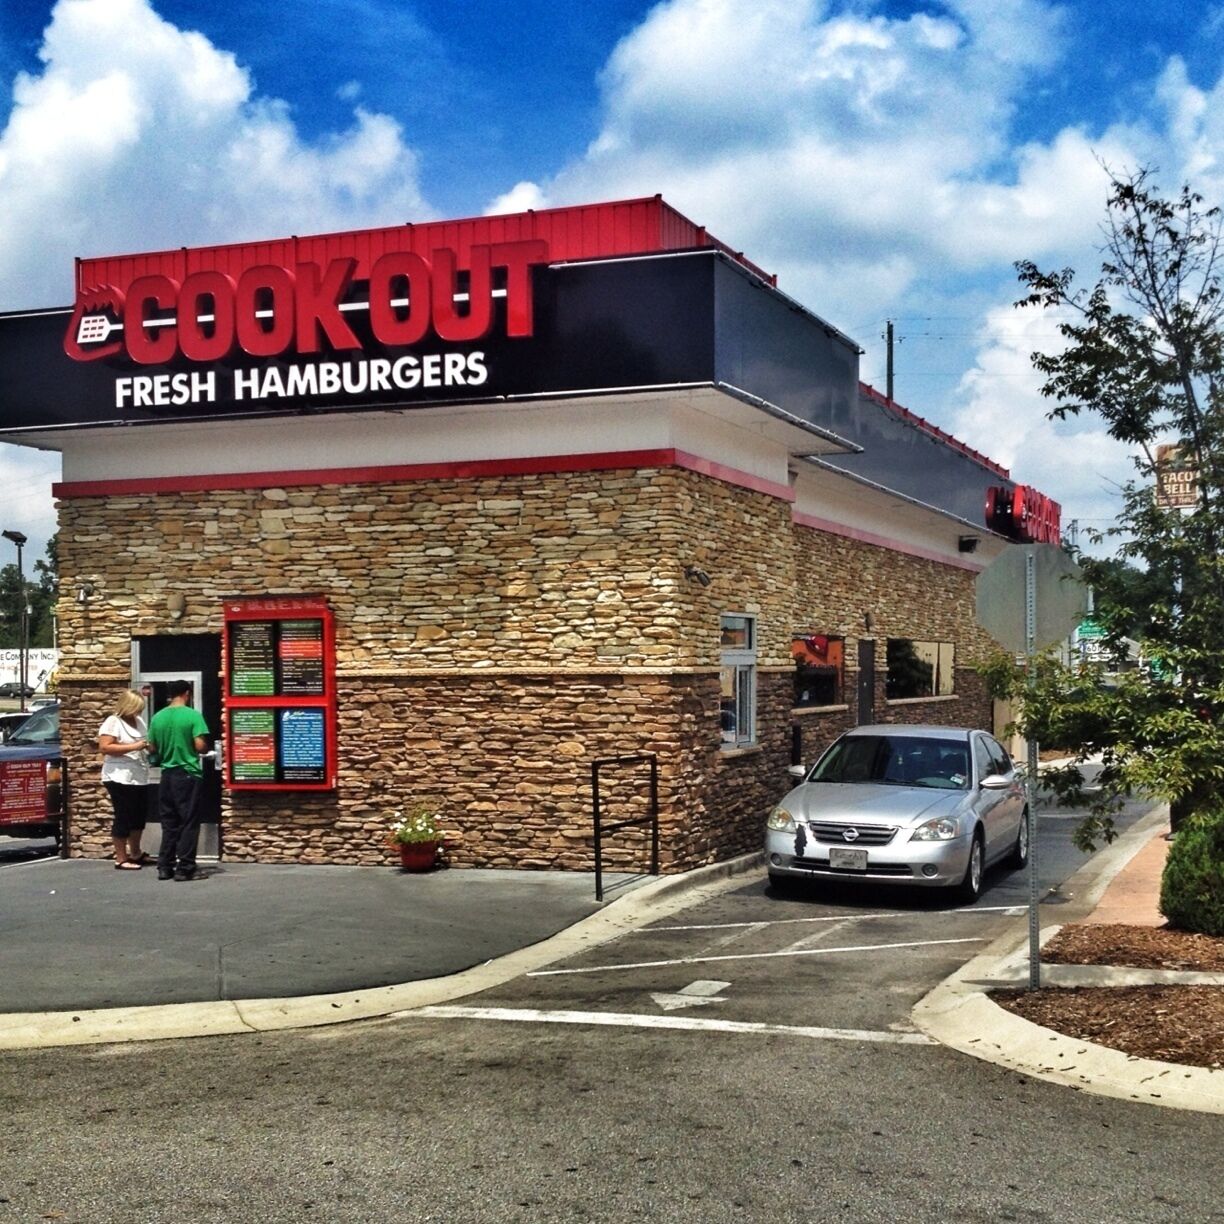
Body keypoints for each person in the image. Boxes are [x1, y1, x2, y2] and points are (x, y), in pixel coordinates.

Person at [146, 679, 210, 882]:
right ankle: (185, 867)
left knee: (169, 822)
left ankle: (164, 866)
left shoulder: (157, 717)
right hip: (188, 772)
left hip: (167, 774)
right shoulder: (193, 715)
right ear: (187, 694)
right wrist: (206, 750)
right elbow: (199, 745)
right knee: (188, 821)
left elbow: (152, 747)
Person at [97, 690, 151, 870]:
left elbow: (144, 741)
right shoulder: (113, 722)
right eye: (136, 708)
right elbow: (105, 747)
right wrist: (134, 746)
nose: (138, 712)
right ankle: (121, 857)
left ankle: (135, 852)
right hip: (118, 775)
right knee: (124, 815)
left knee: (138, 815)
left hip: (138, 774)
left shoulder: (139, 721)